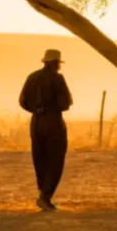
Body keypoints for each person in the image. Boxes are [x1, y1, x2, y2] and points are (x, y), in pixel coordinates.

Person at [18, 48, 73, 211]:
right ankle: (45, 196)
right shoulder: (58, 79)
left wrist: (36, 111)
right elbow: (65, 104)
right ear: (56, 63)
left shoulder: (32, 77)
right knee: (56, 159)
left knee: (39, 158)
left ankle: (43, 192)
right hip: (53, 122)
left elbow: (22, 101)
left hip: (35, 123)